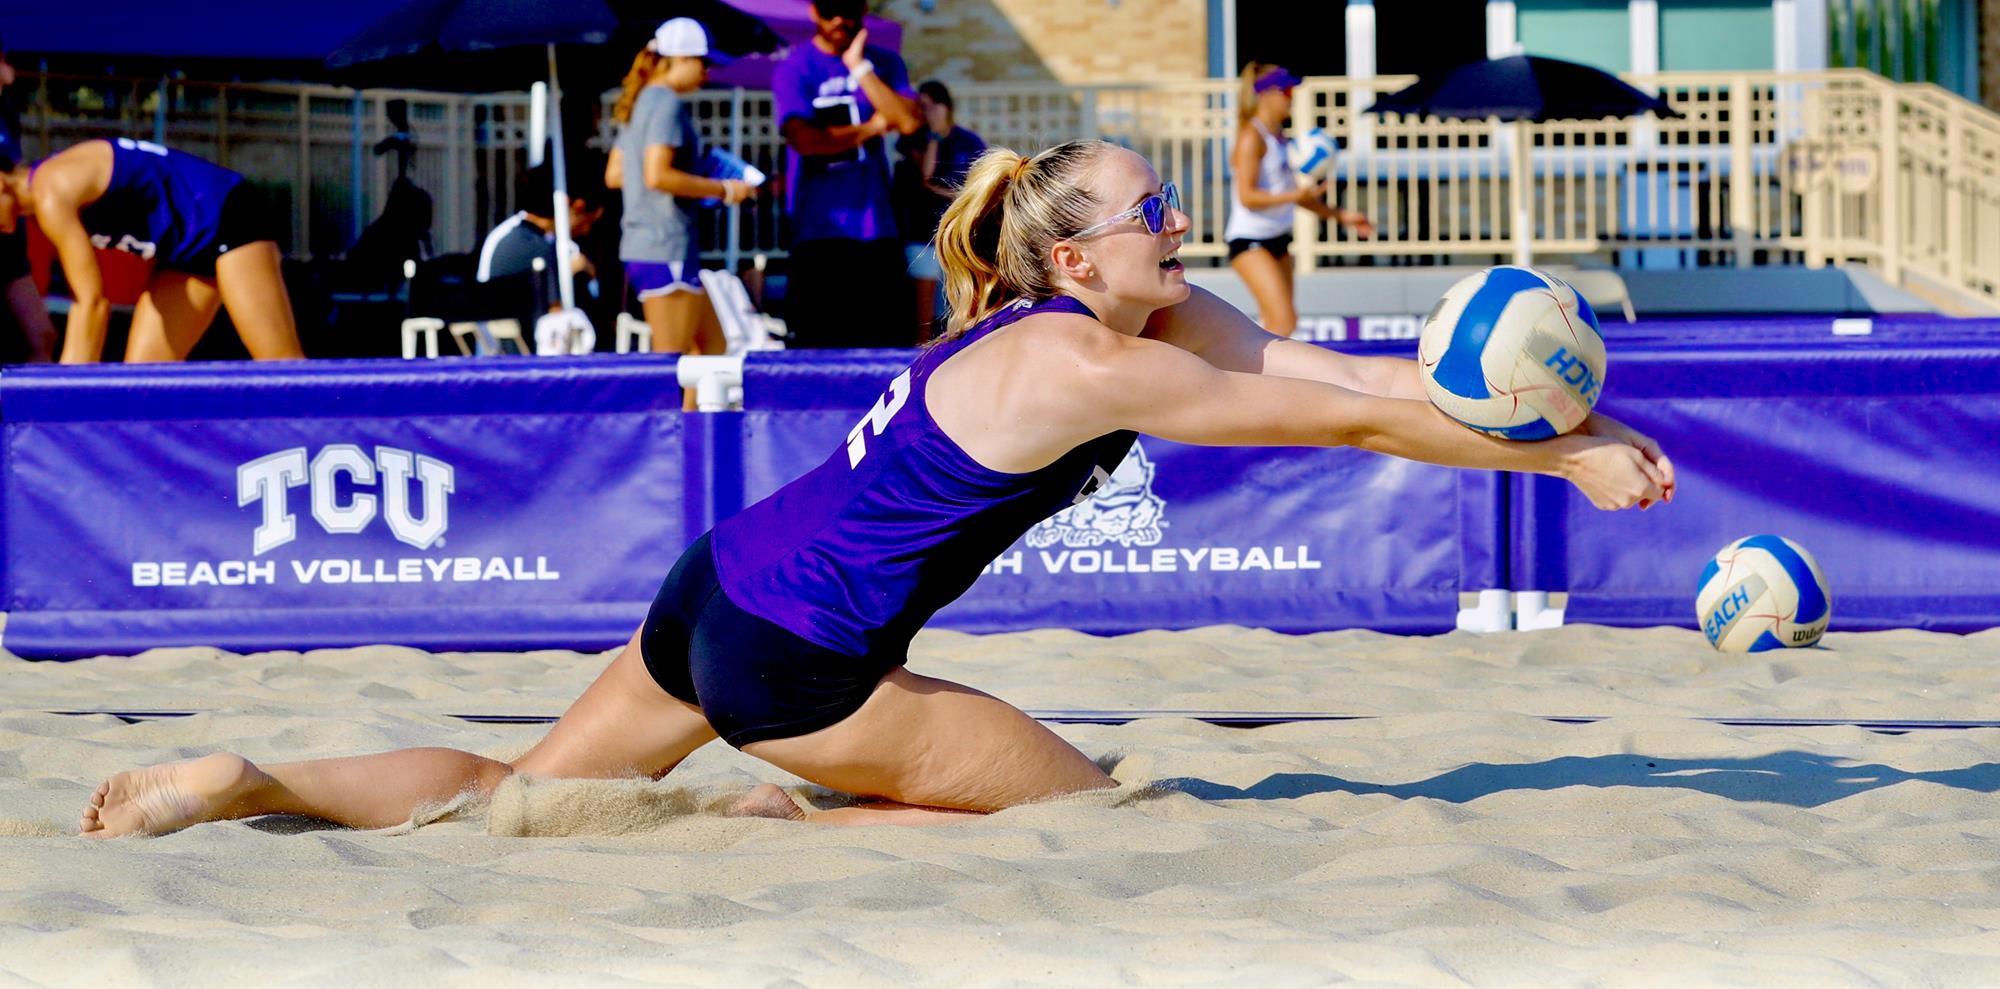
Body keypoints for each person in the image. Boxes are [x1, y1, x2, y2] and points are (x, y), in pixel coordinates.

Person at [79, 140, 1673, 837]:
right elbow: (1347, 435)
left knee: (520, 791)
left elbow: (1359, 381)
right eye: (1148, 210)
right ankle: (784, 816)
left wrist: (1528, 419)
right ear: (1073, 256)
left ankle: (258, 781)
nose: (1173, 223)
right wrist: (1572, 449)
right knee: (1081, 811)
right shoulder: (1096, 362)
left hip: (714, 589)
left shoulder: (1115, 314)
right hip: (795, 660)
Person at [0, 138, 305, 363]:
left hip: (229, 215)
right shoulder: (47, 194)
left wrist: (63, 400)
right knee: (144, 378)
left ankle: (336, 438)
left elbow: (92, 303)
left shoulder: (50, 192)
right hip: (187, 250)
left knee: (279, 361)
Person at [773, 0, 922, 348]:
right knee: (818, 348)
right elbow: (805, 140)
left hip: (877, 227)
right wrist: (871, 128)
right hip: (818, 231)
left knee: (885, 343)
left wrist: (859, 69)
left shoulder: (883, 62)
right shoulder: (796, 67)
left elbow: (910, 121)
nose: (840, 18)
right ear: (814, 11)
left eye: (849, 8)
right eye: (830, 9)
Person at [604, 18, 753, 358]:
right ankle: (671, 415)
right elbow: (658, 176)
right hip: (664, 246)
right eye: (704, 62)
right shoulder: (666, 103)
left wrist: (689, 176)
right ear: (682, 59)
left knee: (712, 350)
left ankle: (695, 415)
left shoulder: (642, 100)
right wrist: (723, 189)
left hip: (651, 245)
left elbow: (616, 174)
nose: (708, 73)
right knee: (674, 360)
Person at [1225, 63, 1375, 336]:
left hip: (1278, 238)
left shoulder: (1279, 139)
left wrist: (1342, 216)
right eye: (1288, 91)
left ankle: (1262, 373)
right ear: (1267, 93)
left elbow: (1294, 197)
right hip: (1249, 241)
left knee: (1284, 325)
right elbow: (1247, 197)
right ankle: (1248, 374)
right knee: (1282, 321)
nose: (1292, 98)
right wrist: (1297, 194)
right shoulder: (1251, 137)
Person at [893, 79, 984, 341]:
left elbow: (977, 186)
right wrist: (933, 136)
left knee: (961, 308)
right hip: (923, 234)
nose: (926, 112)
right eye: (922, 107)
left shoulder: (967, 141)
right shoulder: (914, 141)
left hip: (957, 236)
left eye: (932, 106)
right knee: (924, 313)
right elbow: (927, 177)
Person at [477, 163, 605, 319]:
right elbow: (556, 312)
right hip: (519, 337)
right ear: (572, 205)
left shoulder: (513, 232)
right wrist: (571, 271)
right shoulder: (535, 245)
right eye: (587, 222)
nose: (586, 230)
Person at [0, 39, 54, 362]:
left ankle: (45, 410)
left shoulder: (7, 110)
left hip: (9, 246)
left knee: (42, 335)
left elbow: (14, 172)